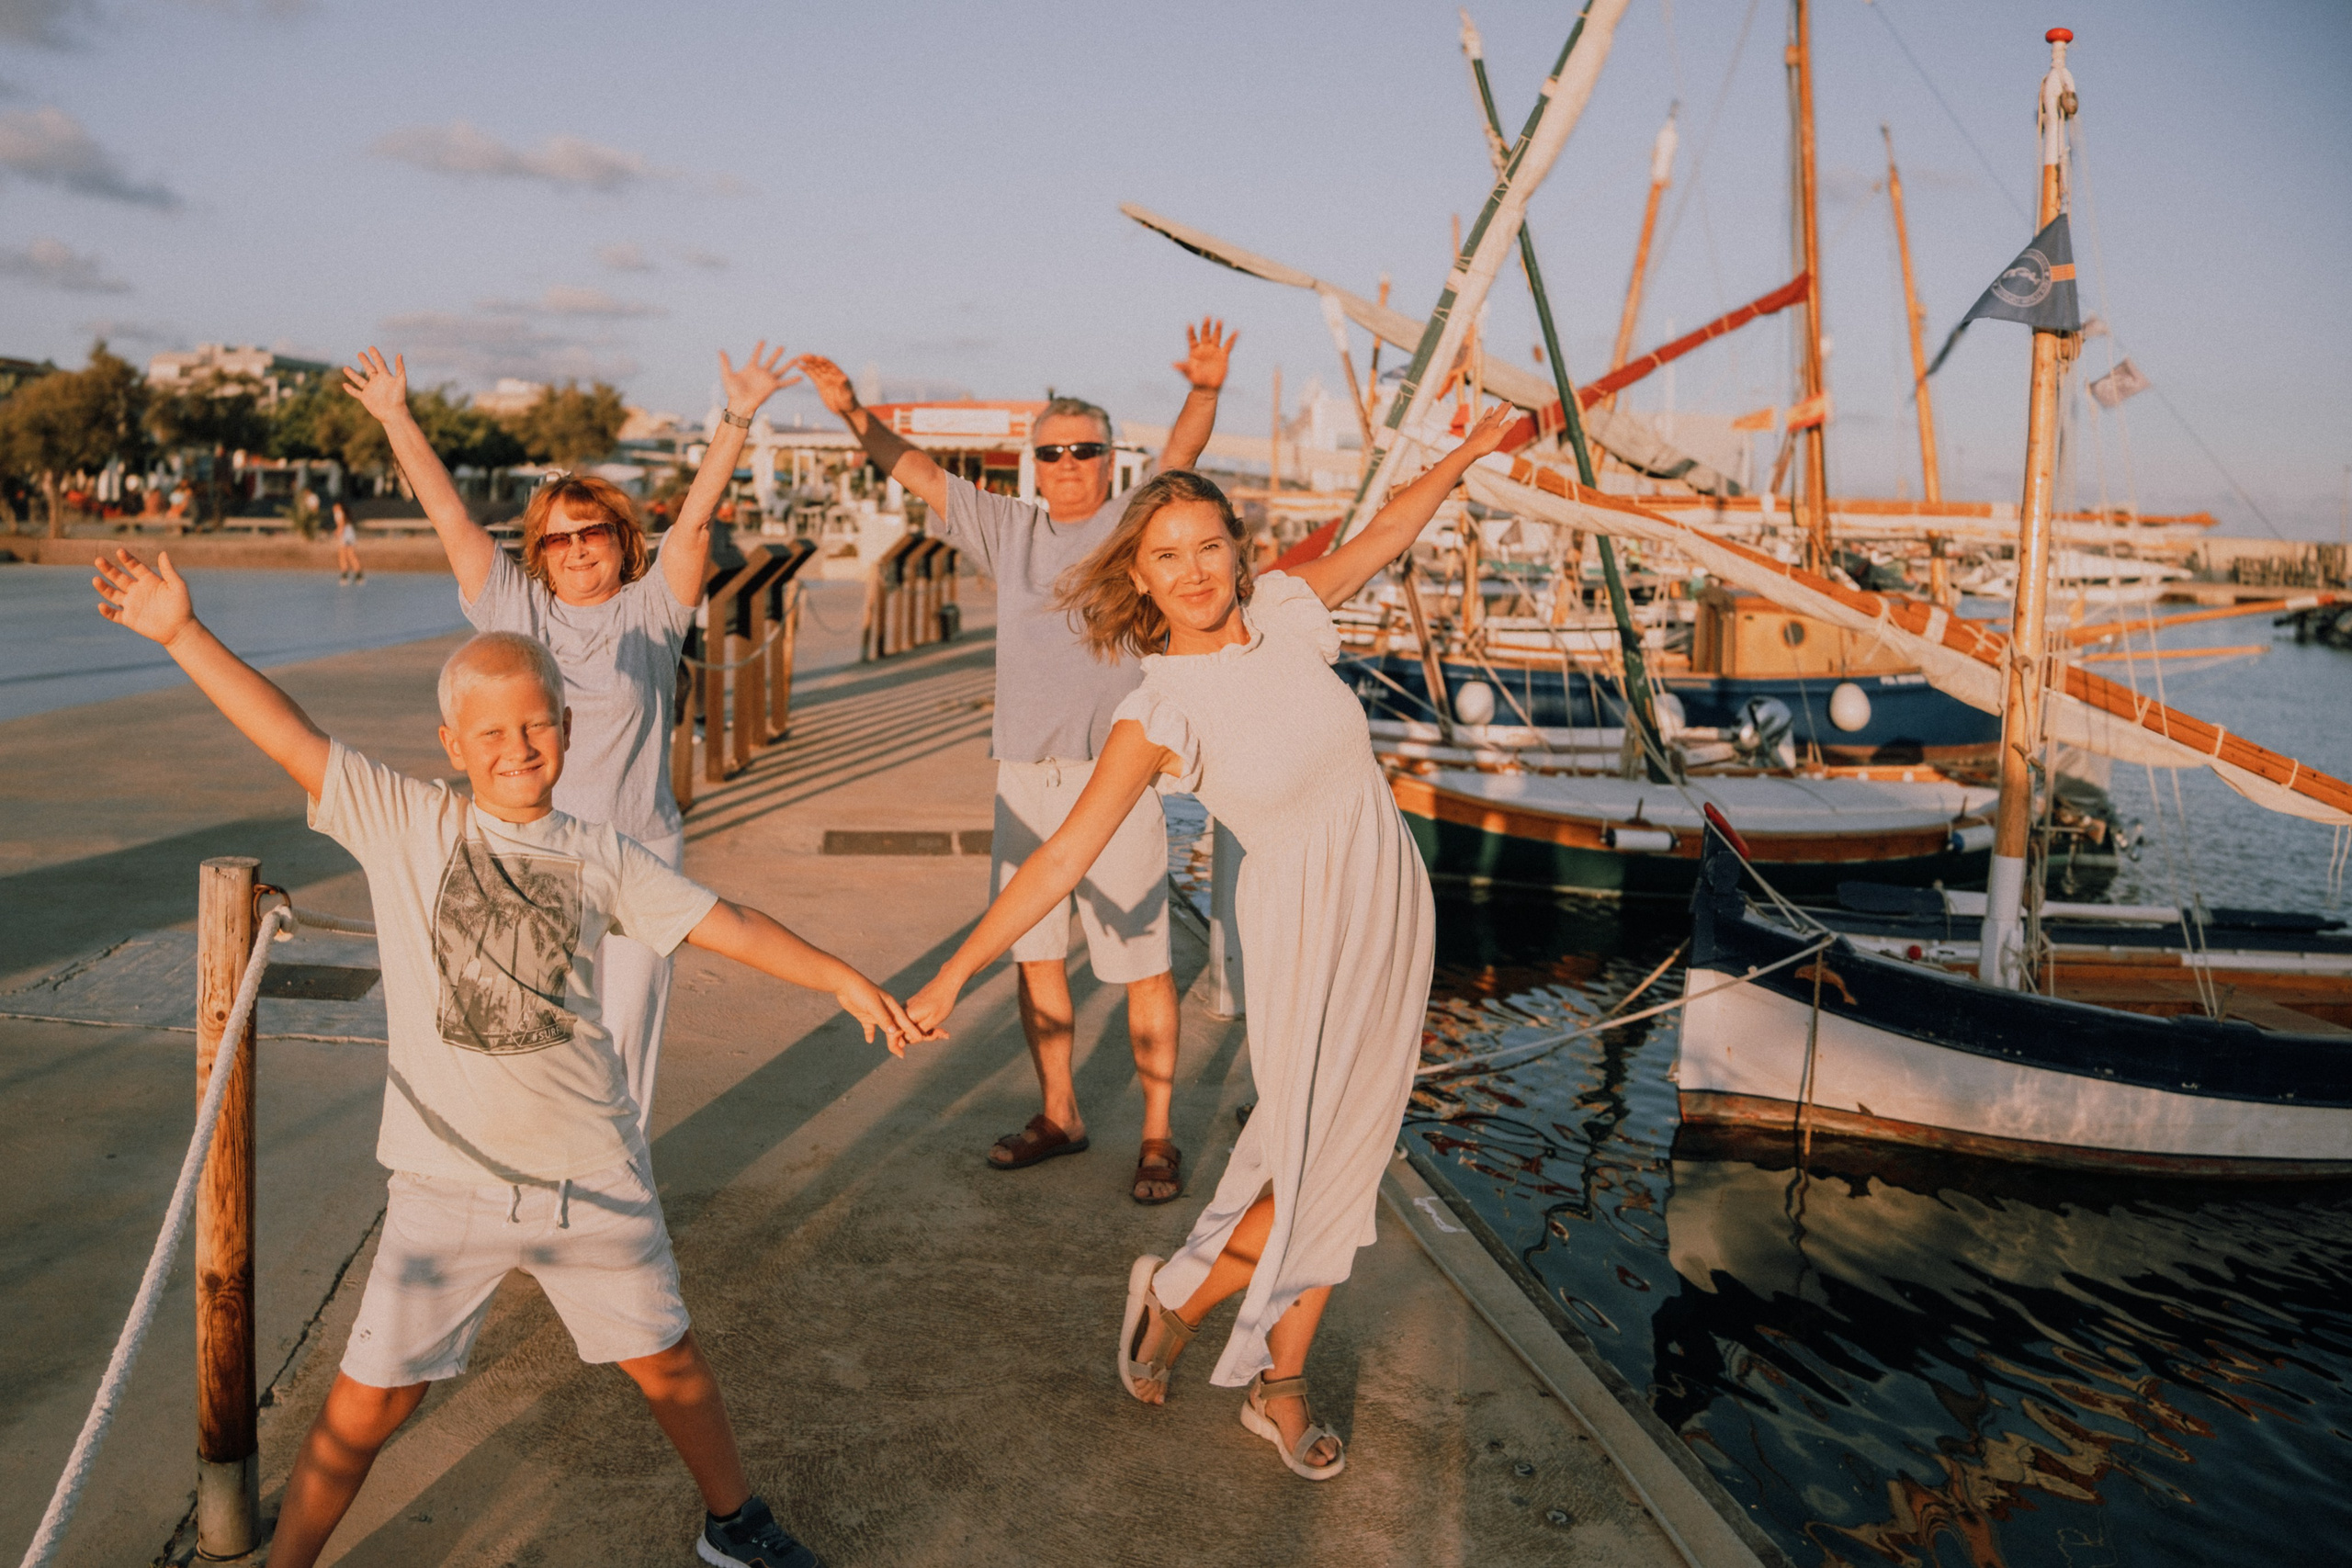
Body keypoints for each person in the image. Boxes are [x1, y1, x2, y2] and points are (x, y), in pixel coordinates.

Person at [93, 548, 928, 1568]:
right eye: (490, 732)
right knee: (370, 1399)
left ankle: (733, 1526)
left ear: (569, 732)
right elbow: (293, 738)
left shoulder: (599, 852)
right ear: (452, 743)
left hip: (591, 1169)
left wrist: (841, 978)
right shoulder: (405, 824)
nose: (517, 745)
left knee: (667, 1363)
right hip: (446, 1182)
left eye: (537, 724)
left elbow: (728, 922)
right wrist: (181, 632)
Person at [905, 404, 1517, 1481]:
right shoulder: (1159, 711)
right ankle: (1250, 1360)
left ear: (1238, 552)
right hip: (1300, 931)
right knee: (1328, 1160)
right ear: (1136, 579)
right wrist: (953, 971)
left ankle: (1193, 1305)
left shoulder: (1285, 612)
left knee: (1340, 1155)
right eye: (1163, 557)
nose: (1189, 571)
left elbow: (1381, 537)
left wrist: (1460, 459)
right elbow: (1054, 862)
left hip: (1390, 911)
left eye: (1205, 547)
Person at [794, 321, 1234, 1204]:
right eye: (1053, 452)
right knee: (1035, 957)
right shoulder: (1008, 530)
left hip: (1118, 777)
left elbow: (1184, 454)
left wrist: (1206, 391)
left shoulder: (1129, 524)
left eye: (1085, 449)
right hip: (1023, 777)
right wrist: (851, 414)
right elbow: (912, 468)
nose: (1068, 462)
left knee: (1142, 962)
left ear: (1111, 458)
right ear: (1032, 463)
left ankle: (1157, 1134)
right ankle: (1060, 1114)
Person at [344, 343, 797, 1145]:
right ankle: (533, 1193)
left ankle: (618, 1199)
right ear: (538, 555)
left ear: (624, 542)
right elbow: (448, 513)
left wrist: (737, 415)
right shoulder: (514, 611)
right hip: (530, 863)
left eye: (594, 532)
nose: (579, 547)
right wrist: (396, 416)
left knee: (623, 1050)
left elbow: (694, 520)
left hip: (637, 858)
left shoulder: (653, 613)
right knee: (532, 1047)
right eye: (558, 538)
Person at [333, 499, 362, 584]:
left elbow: (341, 524)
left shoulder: (338, 513)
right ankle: (358, 575)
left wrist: (337, 532)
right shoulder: (346, 514)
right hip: (350, 532)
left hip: (344, 533)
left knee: (342, 555)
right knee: (351, 554)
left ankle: (344, 576)